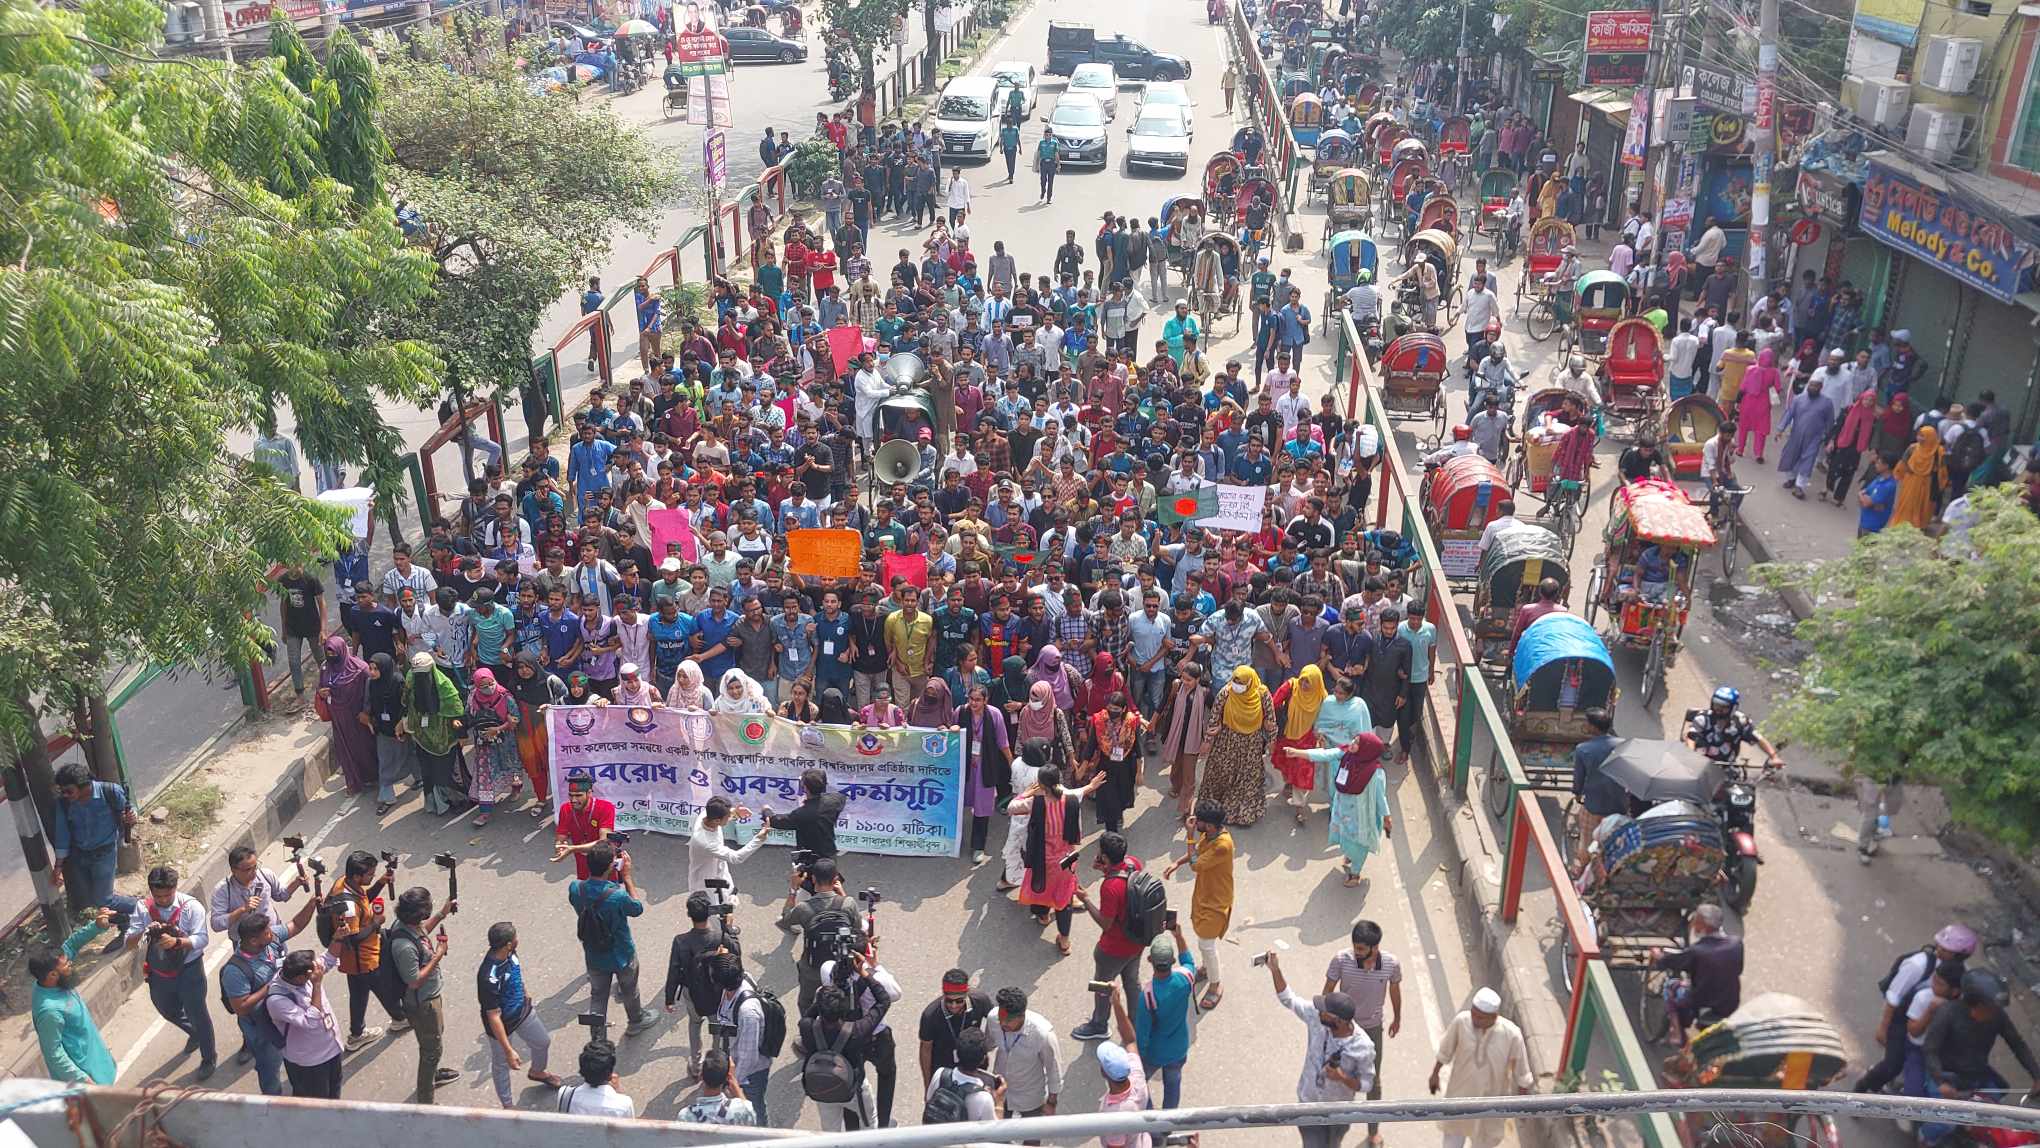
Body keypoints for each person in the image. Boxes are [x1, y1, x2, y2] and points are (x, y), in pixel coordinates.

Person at [1263, 947, 1376, 1148]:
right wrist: (1275, 970)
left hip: (1339, 1113)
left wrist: (1342, 1078)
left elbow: (1367, 1084)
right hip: (1308, 1104)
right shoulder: (1317, 1018)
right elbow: (1288, 999)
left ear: (1339, 1021)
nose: (1319, 1012)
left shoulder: (1363, 1046)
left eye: (1325, 1012)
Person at [1918, 969, 2040, 1144]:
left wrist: (2036, 1075)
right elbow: (1930, 1050)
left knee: (1996, 1114)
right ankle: (1925, 1138)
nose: (1995, 1013)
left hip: (1976, 1076)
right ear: (1975, 1005)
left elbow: (2017, 1044)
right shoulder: (1947, 1014)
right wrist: (1941, 1082)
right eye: (1990, 1008)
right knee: (1944, 1123)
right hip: (1945, 1077)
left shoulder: (1997, 1017)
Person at [1855, 923, 1979, 1093]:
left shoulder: (1962, 975)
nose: (1939, 950)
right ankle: (1864, 1086)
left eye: (1946, 949)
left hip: (1931, 1025)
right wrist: (1883, 1028)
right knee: (1892, 1065)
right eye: (1940, 946)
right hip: (1902, 1020)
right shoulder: (1918, 965)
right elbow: (1894, 996)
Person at [123, 865, 217, 1079]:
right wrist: (143, 933)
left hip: (189, 970)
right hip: (159, 972)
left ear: (175, 889)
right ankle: (194, 1033)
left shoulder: (191, 907)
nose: (163, 900)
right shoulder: (143, 908)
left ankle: (208, 1057)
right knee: (167, 1010)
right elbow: (129, 943)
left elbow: (202, 939)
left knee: (198, 1014)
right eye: (158, 896)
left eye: (167, 895)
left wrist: (178, 942)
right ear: (151, 891)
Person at [1322, 919, 1403, 1147]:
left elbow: (1395, 991)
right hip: (1343, 1030)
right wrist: (1326, 1020)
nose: (1355, 952)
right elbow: (1328, 990)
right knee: (1335, 1080)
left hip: (1372, 1030)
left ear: (1374, 948)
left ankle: (1373, 1132)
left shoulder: (1391, 964)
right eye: (1355, 947)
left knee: (1373, 1083)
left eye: (1360, 949)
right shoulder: (1341, 960)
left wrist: (1397, 1017)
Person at [1068, 832, 1150, 1043]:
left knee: (1103, 986)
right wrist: (1105, 868)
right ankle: (1135, 1023)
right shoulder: (1134, 864)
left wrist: (1085, 900)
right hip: (1137, 941)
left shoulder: (1110, 887)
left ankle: (1099, 1024)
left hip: (1113, 949)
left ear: (1104, 856)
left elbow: (1106, 922)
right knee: (1132, 981)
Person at [569, 840, 654, 1044]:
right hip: (621, 954)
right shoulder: (617, 895)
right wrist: (626, 877)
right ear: (611, 867)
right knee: (629, 990)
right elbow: (637, 908)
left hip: (593, 954)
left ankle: (597, 1038)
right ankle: (636, 1021)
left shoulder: (575, 888)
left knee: (598, 996)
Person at [1431, 987, 1535, 1148]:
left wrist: (1522, 1105)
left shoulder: (1512, 1035)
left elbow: (1522, 1074)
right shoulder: (1461, 1021)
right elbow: (1445, 1050)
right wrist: (1434, 1074)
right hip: (1460, 1097)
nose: (1474, 1019)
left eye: (1480, 1017)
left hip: (1490, 1106)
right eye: (1473, 1013)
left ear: (1494, 1016)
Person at [386, 885, 462, 1102]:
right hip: (422, 1003)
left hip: (429, 998)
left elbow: (422, 932)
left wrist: (442, 913)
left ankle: (431, 1073)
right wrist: (438, 954)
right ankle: (426, 1100)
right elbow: (414, 980)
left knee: (433, 1039)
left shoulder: (408, 926)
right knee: (431, 1049)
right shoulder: (403, 946)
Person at [48, 761, 139, 935]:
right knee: (93, 898)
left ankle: (143, 908)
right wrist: (58, 867)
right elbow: (63, 834)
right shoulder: (65, 803)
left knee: (103, 899)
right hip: (81, 854)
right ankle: (125, 921)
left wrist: (131, 817)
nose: (65, 795)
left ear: (84, 785)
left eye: (69, 791)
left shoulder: (110, 791)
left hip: (105, 852)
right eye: (62, 791)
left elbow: (130, 811)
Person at [1290, 730, 1390, 888]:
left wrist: (1386, 817)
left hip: (1360, 817)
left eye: (1357, 743)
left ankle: (1355, 874)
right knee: (1345, 837)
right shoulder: (1347, 755)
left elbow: (1380, 798)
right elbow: (1324, 754)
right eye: (1354, 740)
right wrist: (1297, 753)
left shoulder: (1375, 773)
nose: (1352, 744)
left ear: (1366, 749)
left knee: (1358, 844)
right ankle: (1351, 856)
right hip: (1342, 810)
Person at [30, 907, 119, 1084]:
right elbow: (53, 1053)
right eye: (67, 966)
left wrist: (97, 926)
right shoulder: (49, 1012)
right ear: (52, 975)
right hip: (86, 1075)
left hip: (96, 1058)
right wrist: (81, 1078)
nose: (70, 965)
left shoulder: (52, 976)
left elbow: (70, 945)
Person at [479, 921, 561, 1107]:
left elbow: (516, 972)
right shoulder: (489, 977)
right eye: (515, 937)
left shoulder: (510, 953)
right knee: (501, 1065)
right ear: (508, 943)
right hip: (502, 1023)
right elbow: (493, 1016)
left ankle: (537, 1072)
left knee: (542, 1042)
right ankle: (508, 1106)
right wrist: (508, 1050)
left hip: (522, 1010)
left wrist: (524, 992)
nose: (518, 939)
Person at [1162, 799, 1234, 1011]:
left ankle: (1215, 984)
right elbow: (1197, 853)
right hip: (1204, 894)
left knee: (1206, 944)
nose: (1195, 823)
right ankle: (1206, 968)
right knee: (1203, 937)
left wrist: (1190, 835)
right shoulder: (1210, 834)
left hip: (1216, 901)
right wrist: (1177, 863)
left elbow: (1196, 864)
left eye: (1199, 822)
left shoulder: (1222, 845)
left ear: (1210, 826)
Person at [799, 971, 894, 1131]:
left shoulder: (807, 1027)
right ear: (844, 1010)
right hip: (853, 1090)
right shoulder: (857, 1031)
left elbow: (808, 1015)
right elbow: (884, 1001)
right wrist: (865, 974)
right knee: (869, 1125)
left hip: (823, 1089)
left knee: (830, 1134)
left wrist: (828, 994)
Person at [777, 855, 869, 1015]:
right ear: (835, 879)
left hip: (812, 970)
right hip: (841, 968)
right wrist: (843, 895)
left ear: (813, 879)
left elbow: (785, 920)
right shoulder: (848, 903)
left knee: (807, 1005)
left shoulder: (804, 908)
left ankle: (808, 1031)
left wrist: (793, 889)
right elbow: (858, 929)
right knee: (840, 1004)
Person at [1647, 902, 1743, 1043]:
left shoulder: (1697, 951)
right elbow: (1738, 969)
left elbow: (1672, 962)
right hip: (1730, 1002)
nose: (1693, 925)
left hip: (1702, 1002)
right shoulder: (1736, 943)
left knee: (1671, 986)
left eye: (1695, 921)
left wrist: (1658, 956)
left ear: (1703, 925)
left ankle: (1677, 1033)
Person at [264, 945, 347, 1099]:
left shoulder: (305, 974)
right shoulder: (277, 999)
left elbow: (327, 959)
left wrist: (338, 938)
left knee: (334, 1094)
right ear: (301, 977)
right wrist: (316, 985)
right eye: (313, 972)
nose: (318, 970)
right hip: (310, 1061)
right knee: (316, 1103)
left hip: (331, 1048)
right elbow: (311, 1022)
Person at [1198, 665, 1275, 826]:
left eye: (1241, 682)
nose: (1236, 685)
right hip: (1227, 742)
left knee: (1247, 779)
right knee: (1220, 775)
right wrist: (1207, 742)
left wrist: (1271, 741)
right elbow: (1214, 718)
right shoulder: (1226, 693)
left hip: (1251, 745)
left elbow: (1270, 719)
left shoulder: (1262, 694)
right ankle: (1212, 812)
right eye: (1235, 680)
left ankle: (1242, 814)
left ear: (1250, 682)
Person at [1131, 925, 1197, 1109]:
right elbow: (1189, 961)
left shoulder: (1148, 995)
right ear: (1172, 960)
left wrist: (1139, 1058)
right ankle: (1168, 1123)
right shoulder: (1186, 978)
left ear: (1150, 959)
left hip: (1155, 1052)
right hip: (1179, 1047)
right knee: (1173, 1084)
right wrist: (1179, 937)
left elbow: (1142, 1035)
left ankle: (1152, 1122)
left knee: (1140, 1083)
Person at [711, 952, 778, 1125]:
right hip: (734, 1057)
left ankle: (763, 1137)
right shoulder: (738, 981)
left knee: (754, 1111)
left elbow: (749, 1056)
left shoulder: (748, 1012)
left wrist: (733, 1083)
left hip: (750, 1074)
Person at [992, 987, 1063, 1124]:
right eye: (1001, 1018)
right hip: (1001, 1092)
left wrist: (1051, 1103)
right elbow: (988, 1043)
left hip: (1030, 1097)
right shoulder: (993, 1019)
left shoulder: (1043, 1035)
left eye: (1008, 1020)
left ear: (1022, 1016)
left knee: (1032, 1137)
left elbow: (1054, 1070)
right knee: (998, 1135)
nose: (1003, 1023)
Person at [1568, 708, 1622, 868]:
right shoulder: (1623, 745)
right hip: (1618, 805)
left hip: (1594, 805)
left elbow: (1579, 779)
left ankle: (1582, 870)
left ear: (1592, 727)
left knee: (1586, 839)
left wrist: (1577, 794)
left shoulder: (1583, 749)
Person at [1683, 685, 1783, 769]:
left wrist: (1774, 757)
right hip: (1697, 767)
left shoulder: (1741, 722)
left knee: (1744, 791)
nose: (1718, 709)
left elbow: (1759, 739)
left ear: (1733, 708)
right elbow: (1691, 738)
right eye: (1716, 705)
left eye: (1723, 707)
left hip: (1726, 769)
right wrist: (1691, 757)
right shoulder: (1703, 718)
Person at [688, 794, 771, 894]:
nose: (730, 818)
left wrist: (735, 813)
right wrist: (759, 839)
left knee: (728, 901)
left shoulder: (707, 814)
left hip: (720, 874)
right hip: (705, 884)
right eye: (728, 817)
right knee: (713, 908)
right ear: (717, 820)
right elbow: (736, 857)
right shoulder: (706, 843)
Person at [766, 767, 846, 859]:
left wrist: (766, 811)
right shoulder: (834, 801)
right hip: (829, 855)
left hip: (809, 858)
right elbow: (840, 797)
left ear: (805, 788)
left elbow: (776, 821)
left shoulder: (801, 814)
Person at [678, 1048, 759, 1125]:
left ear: (701, 1076)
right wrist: (734, 1083)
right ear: (727, 1078)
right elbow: (751, 1116)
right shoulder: (740, 1110)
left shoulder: (686, 1116)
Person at [558, 1039, 636, 1117]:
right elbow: (628, 1126)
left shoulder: (565, 1095)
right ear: (610, 1075)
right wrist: (618, 1092)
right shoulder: (624, 1104)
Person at [1891, 425, 1948, 530]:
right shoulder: (1912, 448)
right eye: (1919, 435)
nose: (1920, 438)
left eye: (1923, 436)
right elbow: (1903, 463)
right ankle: (1902, 525)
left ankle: (1919, 526)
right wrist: (1899, 474)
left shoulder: (1939, 452)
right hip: (1911, 481)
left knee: (1923, 506)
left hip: (1927, 484)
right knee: (1907, 504)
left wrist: (1941, 483)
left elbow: (1942, 470)